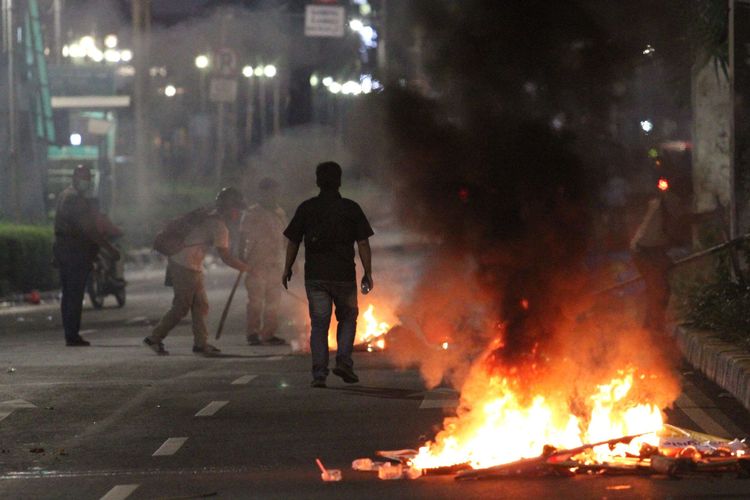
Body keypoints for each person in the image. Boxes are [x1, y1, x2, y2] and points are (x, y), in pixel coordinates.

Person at [282, 161, 374, 388]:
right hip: (344, 276)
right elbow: (363, 243)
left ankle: (319, 374)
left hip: (316, 277)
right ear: (339, 181)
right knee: (348, 319)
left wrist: (287, 268)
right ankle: (343, 361)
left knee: (320, 325)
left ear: (317, 181)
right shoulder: (351, 208)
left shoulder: (307, 208)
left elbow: (293, 241)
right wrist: (368, 272)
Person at [144, 187, 250, 356]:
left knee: (200, 305)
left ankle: (201, 344)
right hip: (184, 265)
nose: (238, 214)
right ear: (230, 209)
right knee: (181, 306)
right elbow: (225, 256)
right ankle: (154, 338)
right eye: (237, 209)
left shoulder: (209, 216)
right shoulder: (219, 226)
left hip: (186, 263)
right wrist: (246, 268)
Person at [630, 175, 717, 333]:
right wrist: (711, 215)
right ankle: (653, 328)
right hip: (647, 251)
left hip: (646, 249)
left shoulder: (663, 200)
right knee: (660, 288)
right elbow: (685, 220)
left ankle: (652, 326)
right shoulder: (671, 201)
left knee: (657, 287)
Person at [53, 165, 121, 346]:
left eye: (88, 177)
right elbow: (89, 229)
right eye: (84, 177)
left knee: (69, 294)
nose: (87, 181)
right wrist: (109, 249)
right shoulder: (74, 198)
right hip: (74, 252)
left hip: (65, 250)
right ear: (75, 177)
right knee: (73, 295)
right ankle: (72, 335)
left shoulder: (65, 195)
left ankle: (71, 333)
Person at [241, 178, 288, 346]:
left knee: (274, 301)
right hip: (256, 264)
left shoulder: (279, 213)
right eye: (271, 191)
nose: (275, 195)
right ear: (262, 193)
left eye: (276, 191)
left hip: (275, 264)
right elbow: (242, 237)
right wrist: (242, 259)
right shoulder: (252, 213)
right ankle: (252, 333)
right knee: (255, 301)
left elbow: (285, 238)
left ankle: (268, 333)